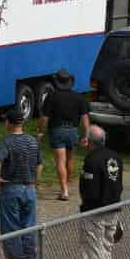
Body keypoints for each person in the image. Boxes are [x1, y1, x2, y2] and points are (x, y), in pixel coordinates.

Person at [0, 108, 42, 259]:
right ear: (22, 122)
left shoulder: (7, 142)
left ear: (8, 123)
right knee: (29, 227)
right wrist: (35, 182)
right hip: (30, 189)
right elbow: (40, 164)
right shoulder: (33, 141)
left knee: (11, 229)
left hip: (12, 189)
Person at [78, 125, 124, 259]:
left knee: (93, 250)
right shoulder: (115, 157)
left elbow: (88, 190)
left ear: (90, 142)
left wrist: (86, 206)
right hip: (113, 209)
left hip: (95, 212)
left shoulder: (91, 160)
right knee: (106, 247)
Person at [40, 68, 90, 201]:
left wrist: (41, 132)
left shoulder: (51, 96)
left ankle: (64, 191)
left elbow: (45, 118)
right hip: (73, 131)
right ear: (70, 82)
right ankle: (67, 185)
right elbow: (85, 118)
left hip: (57, 130)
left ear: (57, 82)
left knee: (60, 161)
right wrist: (86, 135)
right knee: (70, 159)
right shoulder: (79, 97)